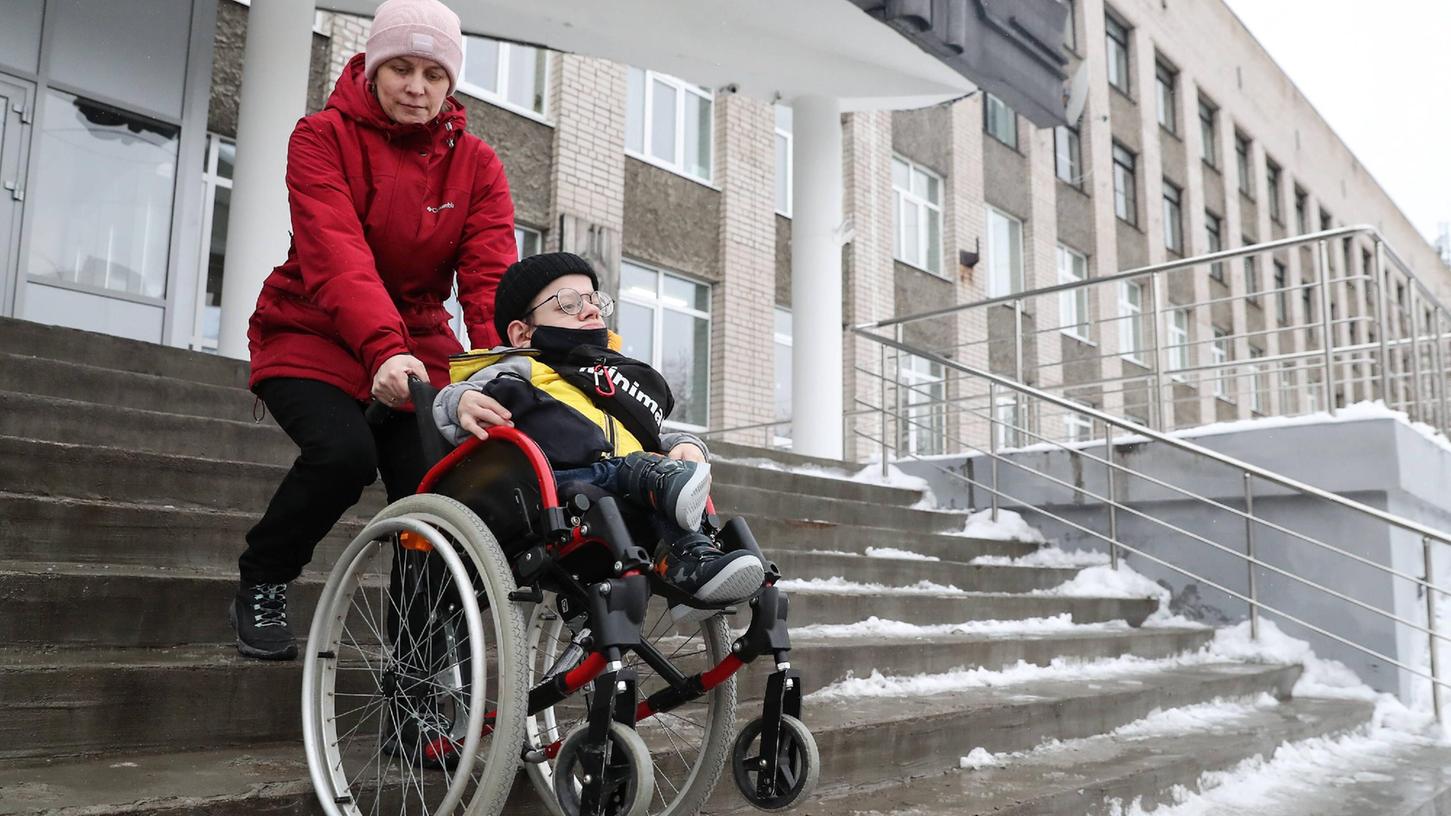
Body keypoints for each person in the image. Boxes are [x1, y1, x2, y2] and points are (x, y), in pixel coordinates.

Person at [231, 0, 518, 661]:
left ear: (450, 84)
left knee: (437, 493)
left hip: (419, 343)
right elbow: (336, 253)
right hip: (311, 326)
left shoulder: (476, 165)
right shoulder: (320, 137)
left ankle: (416, 677)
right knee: (343, 454)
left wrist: (503, 364)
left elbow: (487, 280)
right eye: (400, 68)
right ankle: (265, 576)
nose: (416, 87)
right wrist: (382, 349)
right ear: (372, 67)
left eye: (433, 73)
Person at [433, 252, 767, 606]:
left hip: (625, 493)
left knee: (658, 476)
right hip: (551, 492)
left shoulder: (609, 379)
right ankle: (658, 490)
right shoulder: (518, 369)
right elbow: (455, 397)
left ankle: (694, 566)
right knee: (641, 474)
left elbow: (650, 436)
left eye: (594, 301)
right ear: (522, 332)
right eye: (568, 304)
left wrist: (687, 445)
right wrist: (460, 400)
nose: (591, 310)